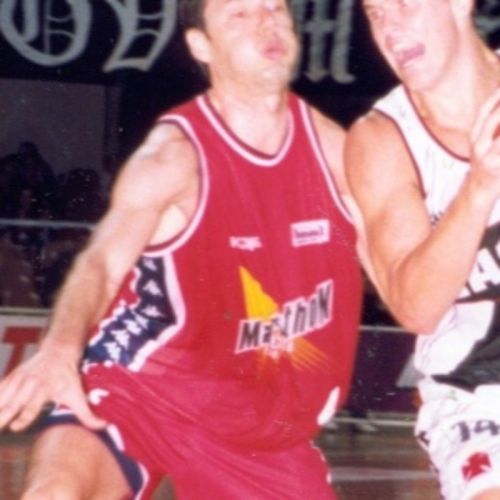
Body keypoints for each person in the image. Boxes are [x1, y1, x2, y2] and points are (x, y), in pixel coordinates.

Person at [0, 0, 364, 498]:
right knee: (56, 493)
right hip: (141, 388)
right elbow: (101, 262)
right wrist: (61, 347)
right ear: (201, 46)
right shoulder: (174, 157)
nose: (265, 21)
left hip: (254, 429)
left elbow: (402, 277)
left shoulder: (339, 152)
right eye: (239, 14)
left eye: (274, 6)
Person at [346, 0, 500, 499]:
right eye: (376, 14)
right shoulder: (383, 140)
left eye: (403, 5)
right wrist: (480, 185)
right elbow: (416, 308)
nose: (389, 27)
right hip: (478, 393)